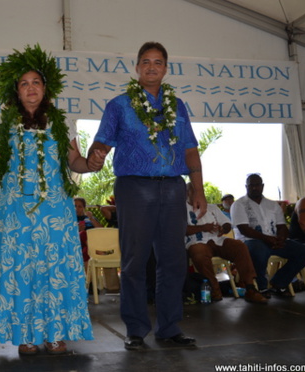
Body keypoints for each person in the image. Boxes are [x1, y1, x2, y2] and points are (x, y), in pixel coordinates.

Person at [0, 45, 99, 356]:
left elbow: (74, 161)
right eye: (24, 83)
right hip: (17, 212)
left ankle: (55, 335)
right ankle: (26, 335)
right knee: (22, 270)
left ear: (46, 88)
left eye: (36, 81)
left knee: (54, 268)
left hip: (56, 209)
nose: (31, 87)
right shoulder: (4, 123)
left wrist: (90, 164)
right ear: (16, 90)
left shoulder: (63, 121)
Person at [86, 41, 206, 351]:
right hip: (134, 187)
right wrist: (95, 156)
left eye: (158, 62)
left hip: (173, 186)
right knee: (135, 262)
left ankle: (169, 327)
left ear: (166, 68)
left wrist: (199, 188)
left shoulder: (177, 106)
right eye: (146, 62)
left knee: (174, 261)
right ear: (138, 67)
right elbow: (101, 143)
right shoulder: (119, 105)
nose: (152, 67)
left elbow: (190, 148)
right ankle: (136, 329)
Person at [230, 174, 305, 298]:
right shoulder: (239, 204)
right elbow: (244, 229)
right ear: (246, 187)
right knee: (259, 251)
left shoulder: (272, 205)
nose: (254, 188)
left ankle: (279, 282)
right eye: (251, 185)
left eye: (257, 185)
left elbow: (281, 226)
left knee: (304, 252)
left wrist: (281, 239)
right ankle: (262, 287)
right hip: (250, 240)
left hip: (272, 239)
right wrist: (267, 239)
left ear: (262, 186)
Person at [184, 183, 267, 304]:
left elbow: (228, 224)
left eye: (200, 191)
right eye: (194, 191)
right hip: (196, 242)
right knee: (199, 252)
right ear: (186, 193)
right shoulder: (181, 209)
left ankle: (250, 288)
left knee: (239, 246)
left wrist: (224, 229)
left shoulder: (212, 207)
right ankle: (214, 289)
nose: (198, 194)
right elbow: (181, 230)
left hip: (217, 240)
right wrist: (203, 227)